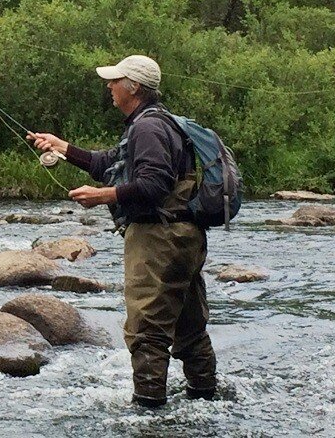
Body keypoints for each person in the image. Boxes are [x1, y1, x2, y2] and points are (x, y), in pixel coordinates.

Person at [27, 55, 217, 408]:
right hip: (182, 236)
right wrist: (62, 147)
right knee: (189, 328)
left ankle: (148, 414)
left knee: (147, 334)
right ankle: (206, 398)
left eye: (115, 81)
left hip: (158, 241)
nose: (109, 86)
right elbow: (107, 164)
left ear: (134, 87)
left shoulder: (148, 129)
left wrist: (103, 197)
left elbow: (154, 184)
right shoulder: (155, 124)